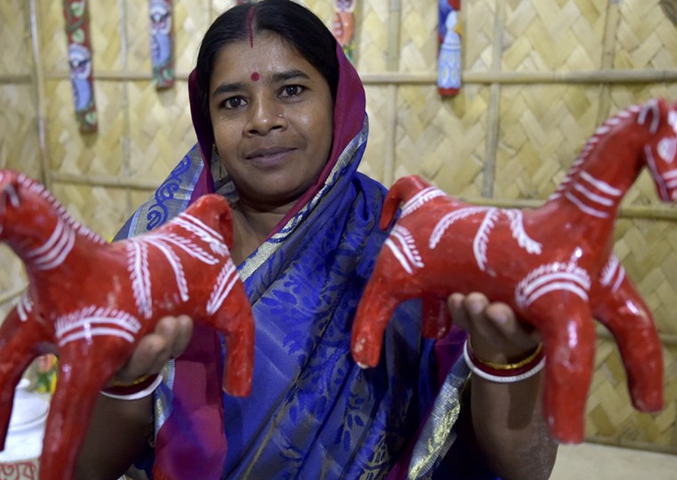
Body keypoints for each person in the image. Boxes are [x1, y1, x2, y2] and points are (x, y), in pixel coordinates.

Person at [76, 1, 557, 479]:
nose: (262, 119)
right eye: (233, 101)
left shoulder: (411, 250)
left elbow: (526, 469)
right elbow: (84, 467)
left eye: (291, 90)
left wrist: (507, 361)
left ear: (339, 98)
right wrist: (122, 382)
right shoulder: (154, 254)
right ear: (209, 123)